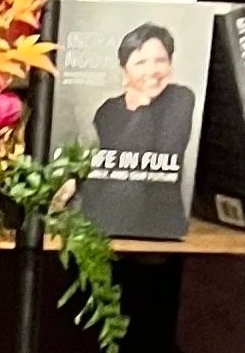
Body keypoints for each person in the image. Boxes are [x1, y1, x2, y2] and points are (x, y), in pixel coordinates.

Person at [79, 21, 197, 238]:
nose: (152, 71)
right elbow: (117, 163)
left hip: (160, 222)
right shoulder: (108, 110)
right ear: (124, 71)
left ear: (171, 64)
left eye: (161, 60)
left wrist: (143, 104)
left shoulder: (180, 98)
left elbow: (161, 155)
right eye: (141, 62)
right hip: (108, 215)